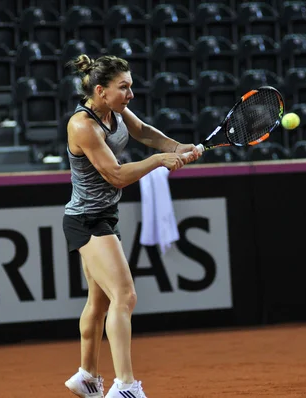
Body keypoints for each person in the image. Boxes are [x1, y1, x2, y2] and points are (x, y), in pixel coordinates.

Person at [62, 53, 202, 398]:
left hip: (104, 216)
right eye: (124, 87)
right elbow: (116, 175)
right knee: (124, 296)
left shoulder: (115, 110)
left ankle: (87, 377)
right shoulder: (83, 125)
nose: (131, 94)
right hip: (87, 220)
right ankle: (125, 386)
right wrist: (158, 160)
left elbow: (142, 131)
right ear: (100, 90)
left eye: (131, 86)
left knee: (99, 302)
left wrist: (175, 147)